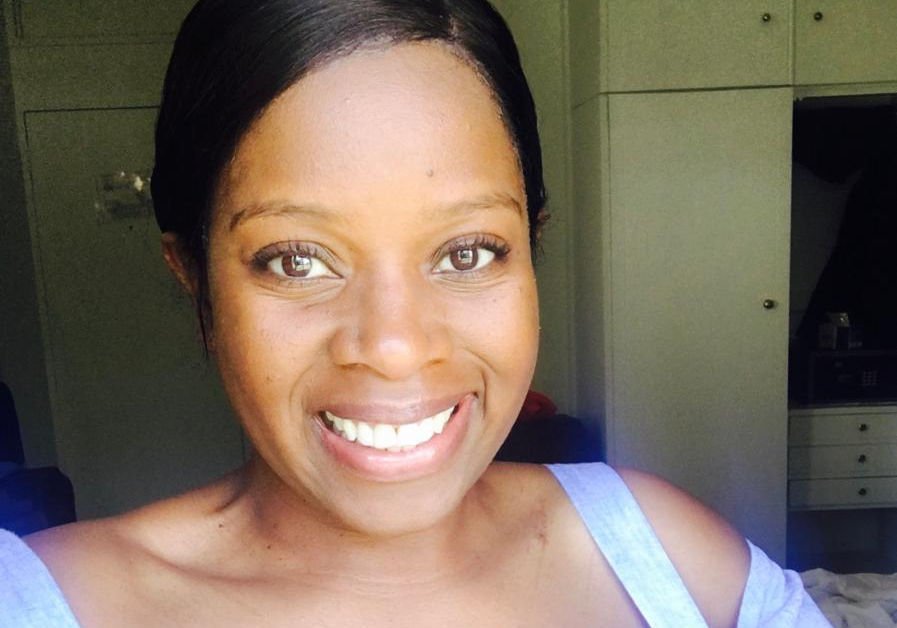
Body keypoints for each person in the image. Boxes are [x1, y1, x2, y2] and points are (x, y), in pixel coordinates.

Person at [0, 1, 829, 625]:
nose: (395, 349)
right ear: (194, 277)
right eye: (296, 259)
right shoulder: (43, 602)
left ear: (530, 248)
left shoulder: (666, 558)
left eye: (466, 252)